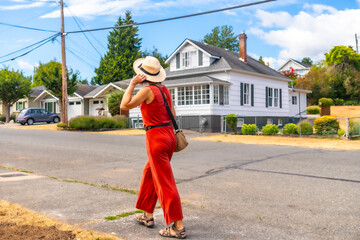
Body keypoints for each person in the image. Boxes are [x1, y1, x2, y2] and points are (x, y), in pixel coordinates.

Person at [120, 56, 187, 239]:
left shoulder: (147, 90)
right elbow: (172, 113)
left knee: (164, 181)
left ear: (143, 74)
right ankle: (148, 215)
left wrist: (132, 84)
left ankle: (177, 226)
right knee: (150, 172)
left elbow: (124, 106)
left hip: (156, 138)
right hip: (169, 135)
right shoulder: (164, 89)